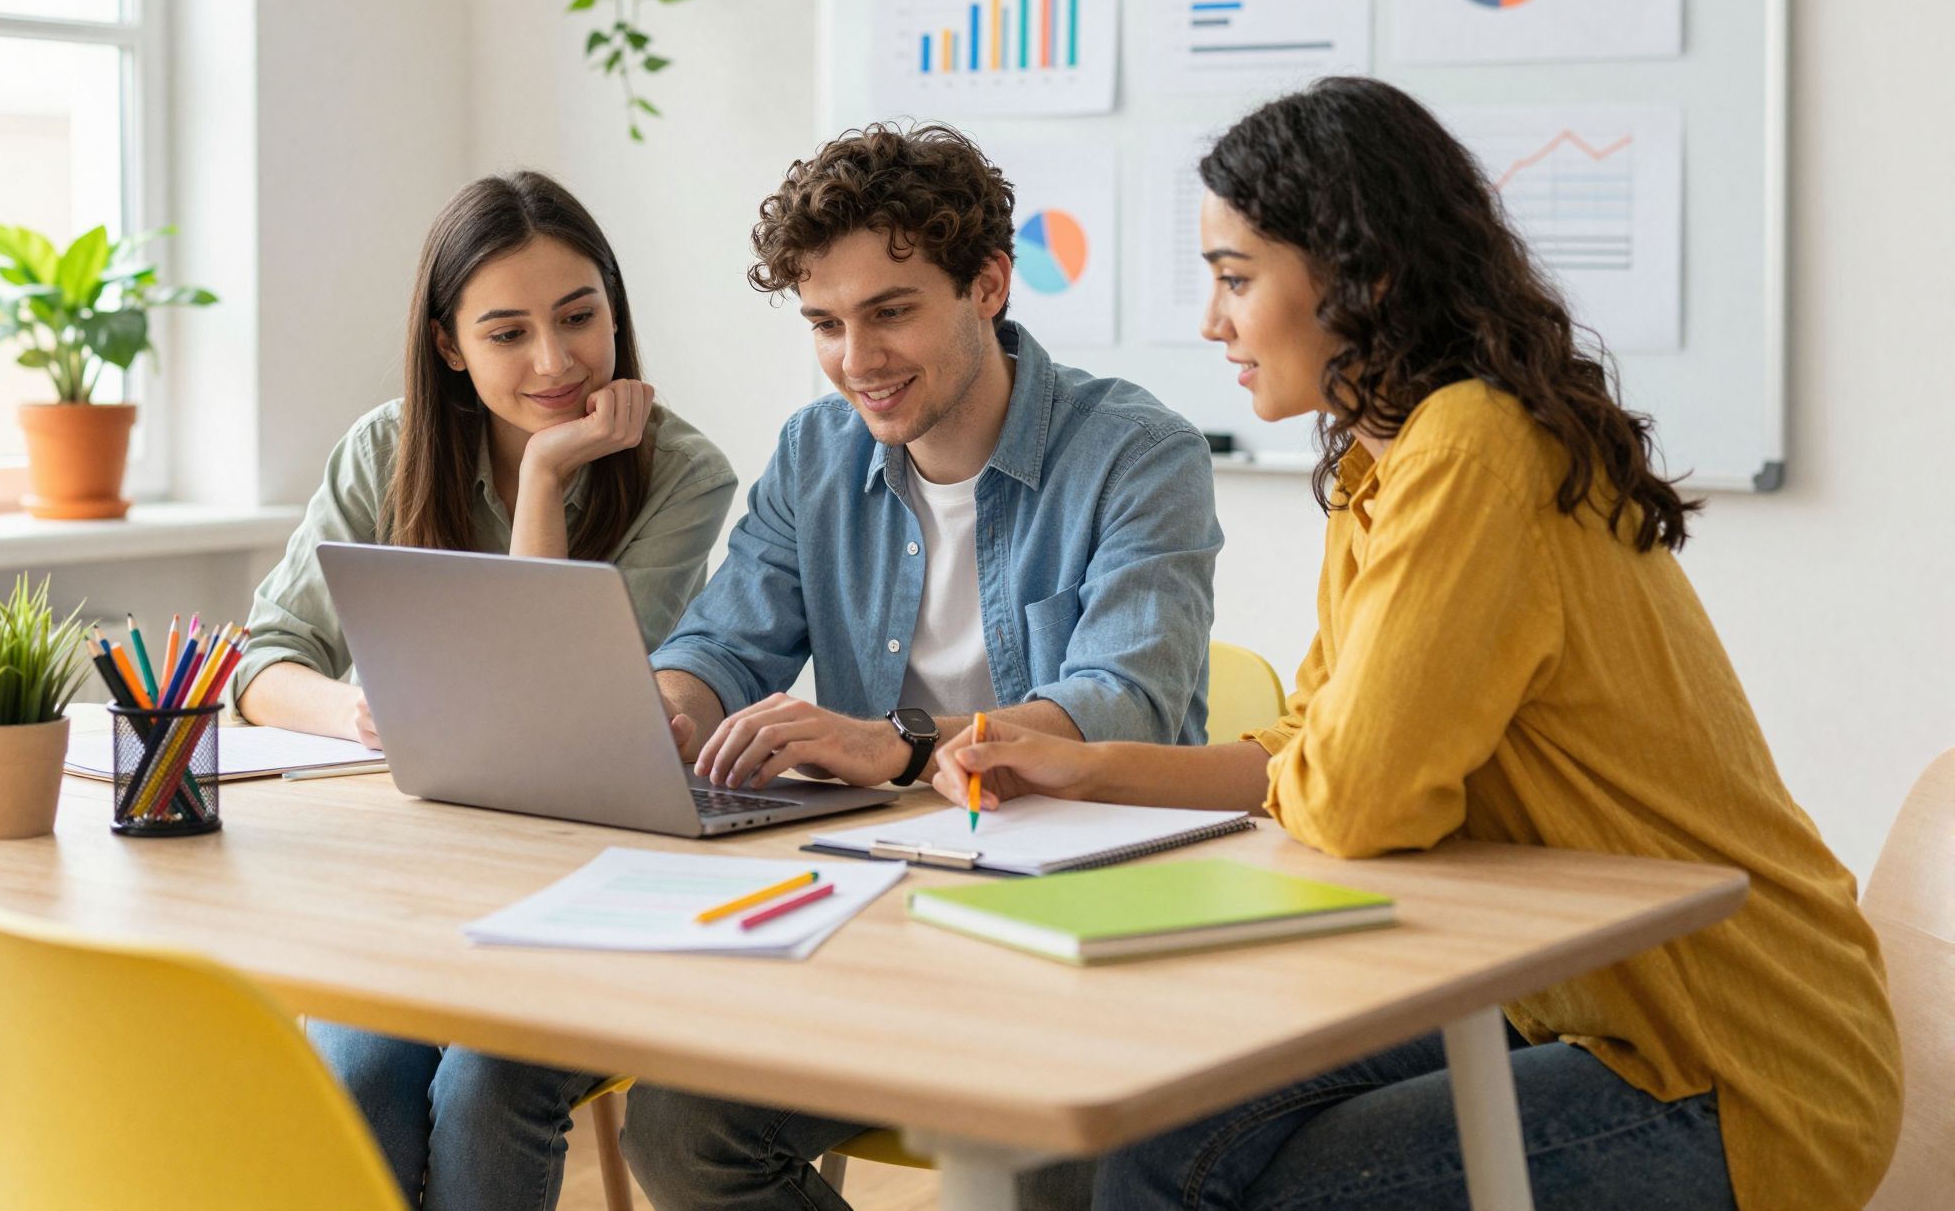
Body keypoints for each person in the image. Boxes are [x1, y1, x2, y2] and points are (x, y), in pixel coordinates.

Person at [927, 78, 1903, 1211]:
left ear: (1360, 277)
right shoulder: (1377, 461)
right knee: (1153, 1140)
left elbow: (1354, 800)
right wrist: (1087, 768)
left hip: (1721, 1063)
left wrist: (1313, 770)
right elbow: (1314, 749)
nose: (1211, 322)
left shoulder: (1469, 451)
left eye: (1236, 279)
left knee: (1223, 1179)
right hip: (1567, 1005)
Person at [619, 122, 1223, 1211]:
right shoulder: (815, 453)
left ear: (986, 285)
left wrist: (896, 747)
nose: (858, 359)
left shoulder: (1139, 453)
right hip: (884, 907)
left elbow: (1115, 701)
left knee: (1056, 1166)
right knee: (680, 1128)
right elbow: (722, 639)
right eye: (825, 324)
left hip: (1095, 912)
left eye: (890, 311)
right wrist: (664, 706)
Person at [234, 170, 737, 1211]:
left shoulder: (682, 471)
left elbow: (555, 712)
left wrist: (550, 475)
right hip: (411, 876)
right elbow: (260, 659)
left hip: (587, 878)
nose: (554, 362)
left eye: (578, 318)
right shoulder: (387, 449)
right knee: (359, 1072)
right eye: (506, 333)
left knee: (477, 1091)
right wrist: (355, 713)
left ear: (614, 313)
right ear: (449, 346)